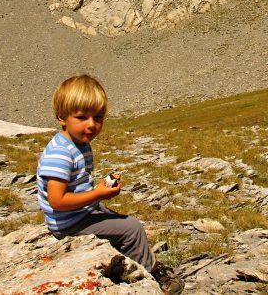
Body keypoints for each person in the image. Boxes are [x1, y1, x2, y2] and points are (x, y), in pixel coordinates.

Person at [36, 74, 183, 294]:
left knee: (113, 218)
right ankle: (151, 274)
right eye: (82, 117)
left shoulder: (77, 143)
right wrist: (96, 194)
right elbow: (57, 201)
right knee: (132, 228)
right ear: (62, 117)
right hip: (69, 223)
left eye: (98, 117)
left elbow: (75, 184)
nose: (91, 125)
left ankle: (129, 260)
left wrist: (99, 191)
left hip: (80, 212)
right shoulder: (60, 154)